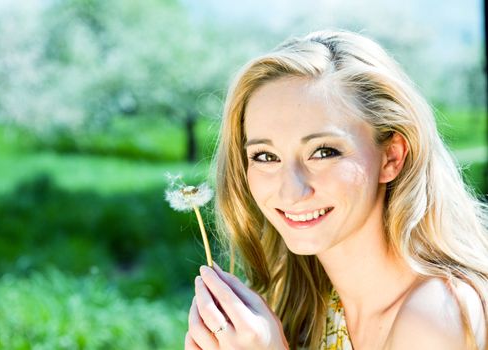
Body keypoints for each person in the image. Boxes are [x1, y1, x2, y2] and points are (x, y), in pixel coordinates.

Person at [184, 30, 488, 350]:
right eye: (266, 156)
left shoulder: (437, 317)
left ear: (391, 156)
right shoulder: (305, 308)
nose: (291, 192)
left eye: (324, 151)